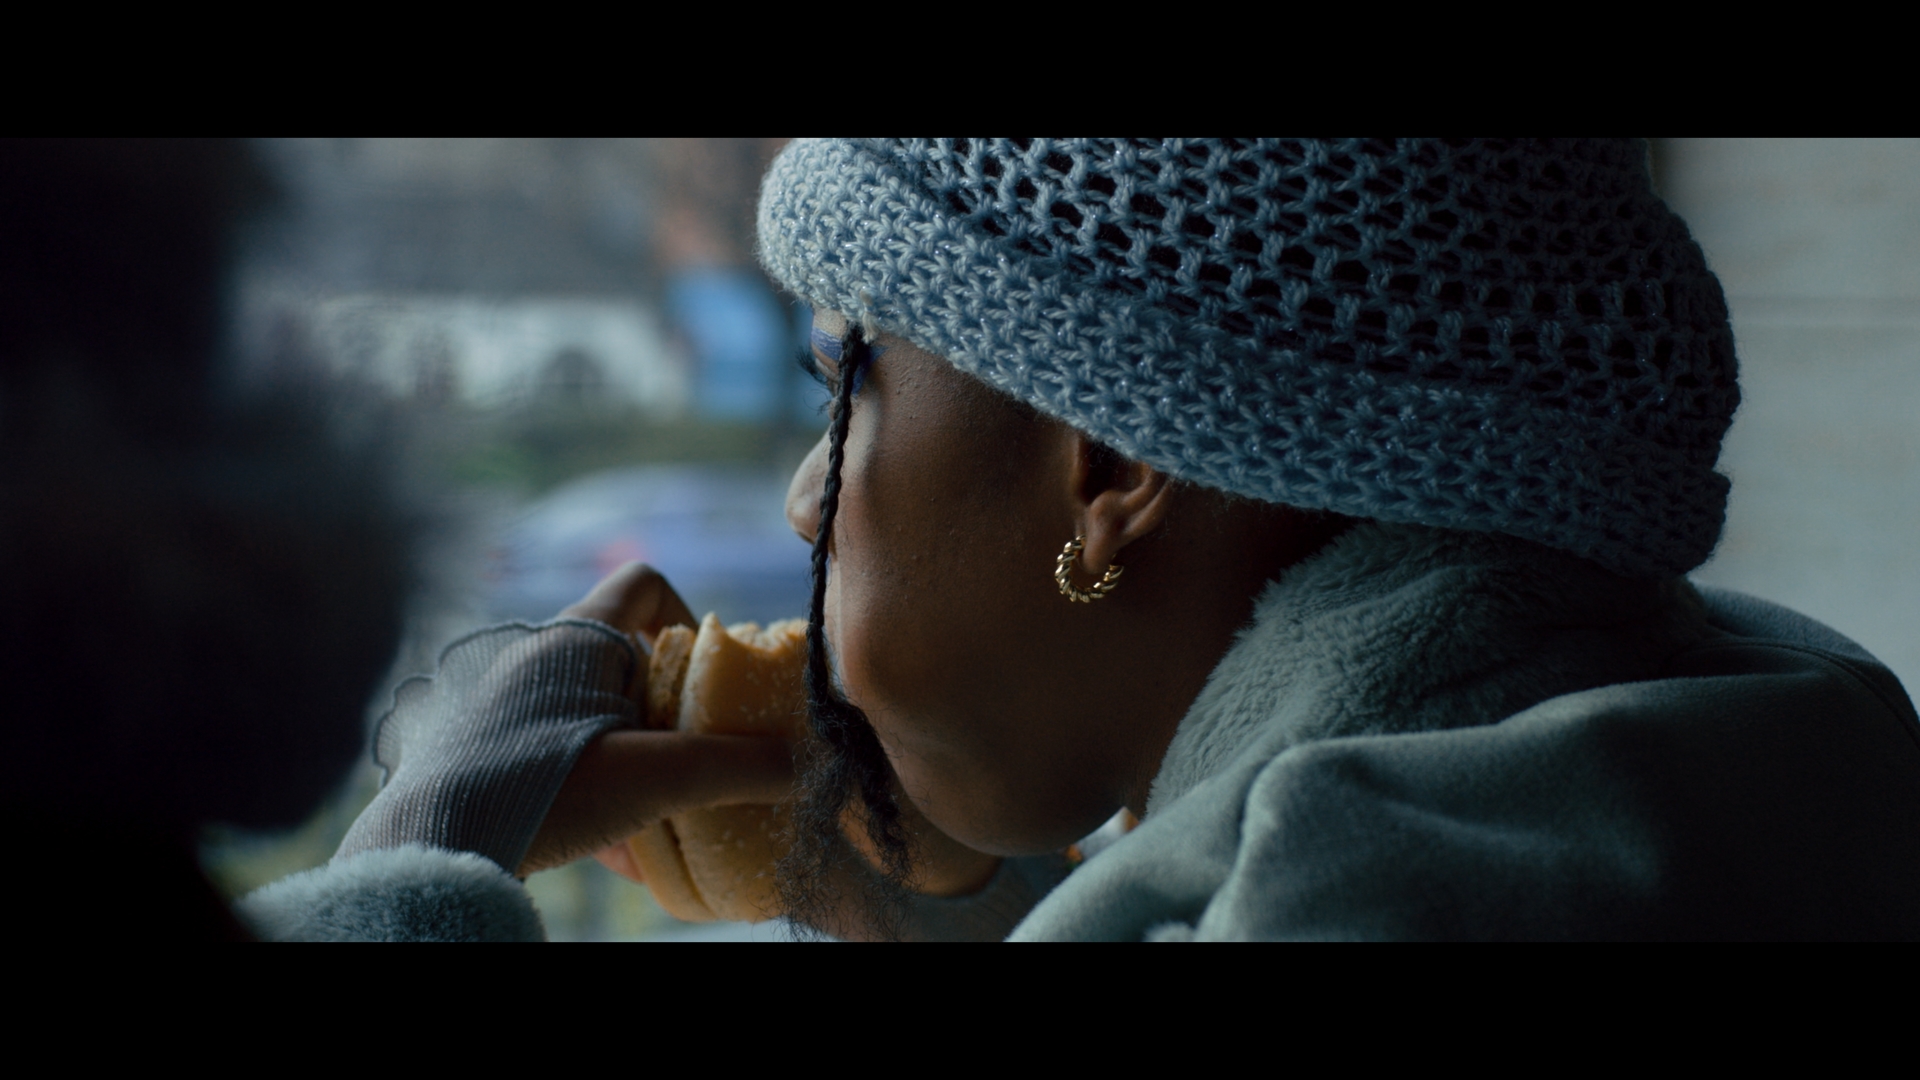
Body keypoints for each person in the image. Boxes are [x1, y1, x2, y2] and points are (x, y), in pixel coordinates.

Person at [245, 139, 1920, 941]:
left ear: (1110, 466)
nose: (805, 500)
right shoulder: (1781, 733)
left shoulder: (1351, 905)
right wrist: (970, 895)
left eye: (845, 386)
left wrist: (413, 861)